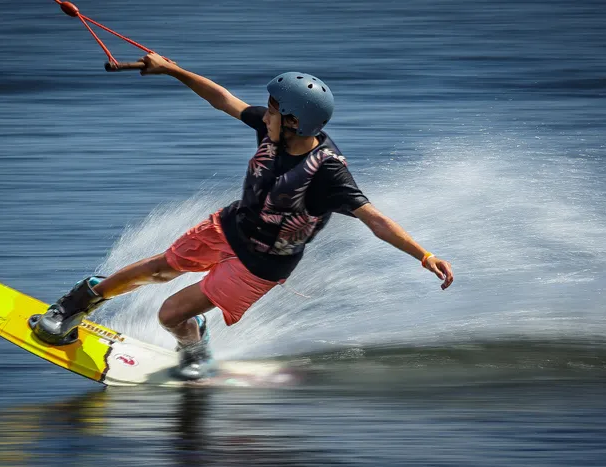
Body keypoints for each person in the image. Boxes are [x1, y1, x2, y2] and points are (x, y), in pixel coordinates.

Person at [32, 53, 455, 380]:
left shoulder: (328, 172)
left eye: (271, 108)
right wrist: (172, 70)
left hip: (261, 265)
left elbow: (374, 218)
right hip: (228, 227)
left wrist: (423, 254)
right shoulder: (273, 128)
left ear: (292, 121)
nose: (262, 112)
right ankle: (73, 306)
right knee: (160, 267)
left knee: (170, 315)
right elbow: (223, 99)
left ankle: (195, 347)